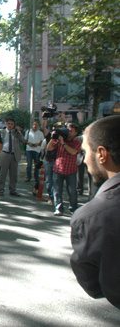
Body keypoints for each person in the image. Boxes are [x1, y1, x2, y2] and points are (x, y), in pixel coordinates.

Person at [70, 115, 120, 310]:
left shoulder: (93, 216)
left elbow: (94, 285)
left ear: (102, 154)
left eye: (85, 152)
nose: (83, 160)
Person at [47, 122, 81, 216]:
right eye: (67, 130)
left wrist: (64, 143)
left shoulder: (76, 142)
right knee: (57, 191)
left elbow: (74, 152)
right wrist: (53, 138)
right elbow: (49, 148)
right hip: (58, 169)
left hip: (71, 171)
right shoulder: (59, 140)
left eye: (71, 131)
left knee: (72, 191)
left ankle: (73, 208)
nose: (68, 132)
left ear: (75, 133)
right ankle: (58, 208)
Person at [0, 117, 25, 197]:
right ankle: (1, 189)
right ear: (6, 124)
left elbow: (23, 141)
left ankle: (13, 189)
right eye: (9, 124)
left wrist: (18, 131)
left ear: (14, 125)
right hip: (4, 153)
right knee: (3, 173)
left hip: (14, 155)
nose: (10, 125)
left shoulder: (16, 133)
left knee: (13, 174)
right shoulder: (2, 132)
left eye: (12, 124)